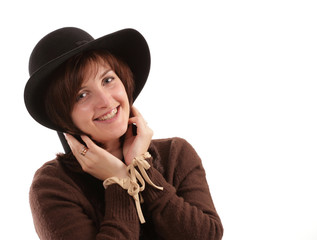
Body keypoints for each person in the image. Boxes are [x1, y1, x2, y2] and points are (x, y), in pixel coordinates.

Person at [24, 27, 223, 240]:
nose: (106, 101)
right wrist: (119, 182)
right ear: (62, 117)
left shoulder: (176, 154)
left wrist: (141, 169)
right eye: (82, 95)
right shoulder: (54, 185)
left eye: (108, 80)